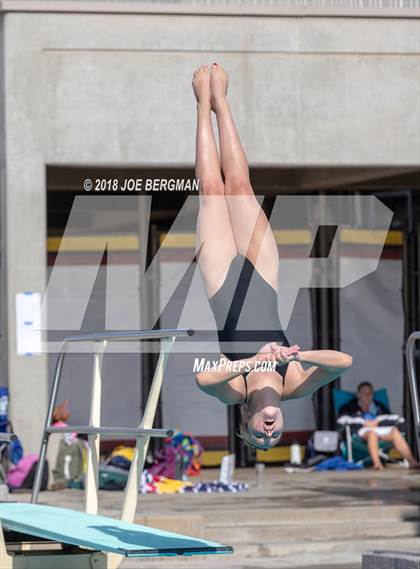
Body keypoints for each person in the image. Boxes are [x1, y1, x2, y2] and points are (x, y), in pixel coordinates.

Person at [192, 63, 353, 450]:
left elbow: (203, 378)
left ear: (246, 420)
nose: (269, 430)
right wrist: (289, 354)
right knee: (241, 186)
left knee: (213, 190)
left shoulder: (235, 391)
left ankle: (203, 102)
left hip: (221, 285)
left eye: (259, 434)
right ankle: (223, 102)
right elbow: (342, 362)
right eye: (274, 434)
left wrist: (252, 363)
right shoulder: (295, 383)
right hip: (263, 275)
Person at [339, 382, 419, 470]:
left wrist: (377, 420)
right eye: (364, 393)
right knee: (372, 433)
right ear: (358, 395)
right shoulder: (350, 406)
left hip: (378, 428)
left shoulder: (378, 406)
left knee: (394, 430)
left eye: (370, 393)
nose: (367, 396)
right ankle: (377, 464)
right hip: (362, 431)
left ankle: (412, 462)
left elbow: (393, 417)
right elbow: (342, 419)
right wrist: (363, 422)